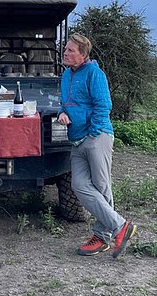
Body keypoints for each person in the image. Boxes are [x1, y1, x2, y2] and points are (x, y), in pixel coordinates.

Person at [57, 33, 137, 258]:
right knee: (80, 185)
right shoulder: (66, 75)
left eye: (71, 50)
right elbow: (64, 103)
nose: (66, 52)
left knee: (101, 186)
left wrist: (93, 134)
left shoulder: (94, 73)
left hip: (96, 137)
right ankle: (120, 225)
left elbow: (104, 105)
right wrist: (62, 112)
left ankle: (102, 238)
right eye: (65, 49)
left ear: (83, 54)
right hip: (76, 139)